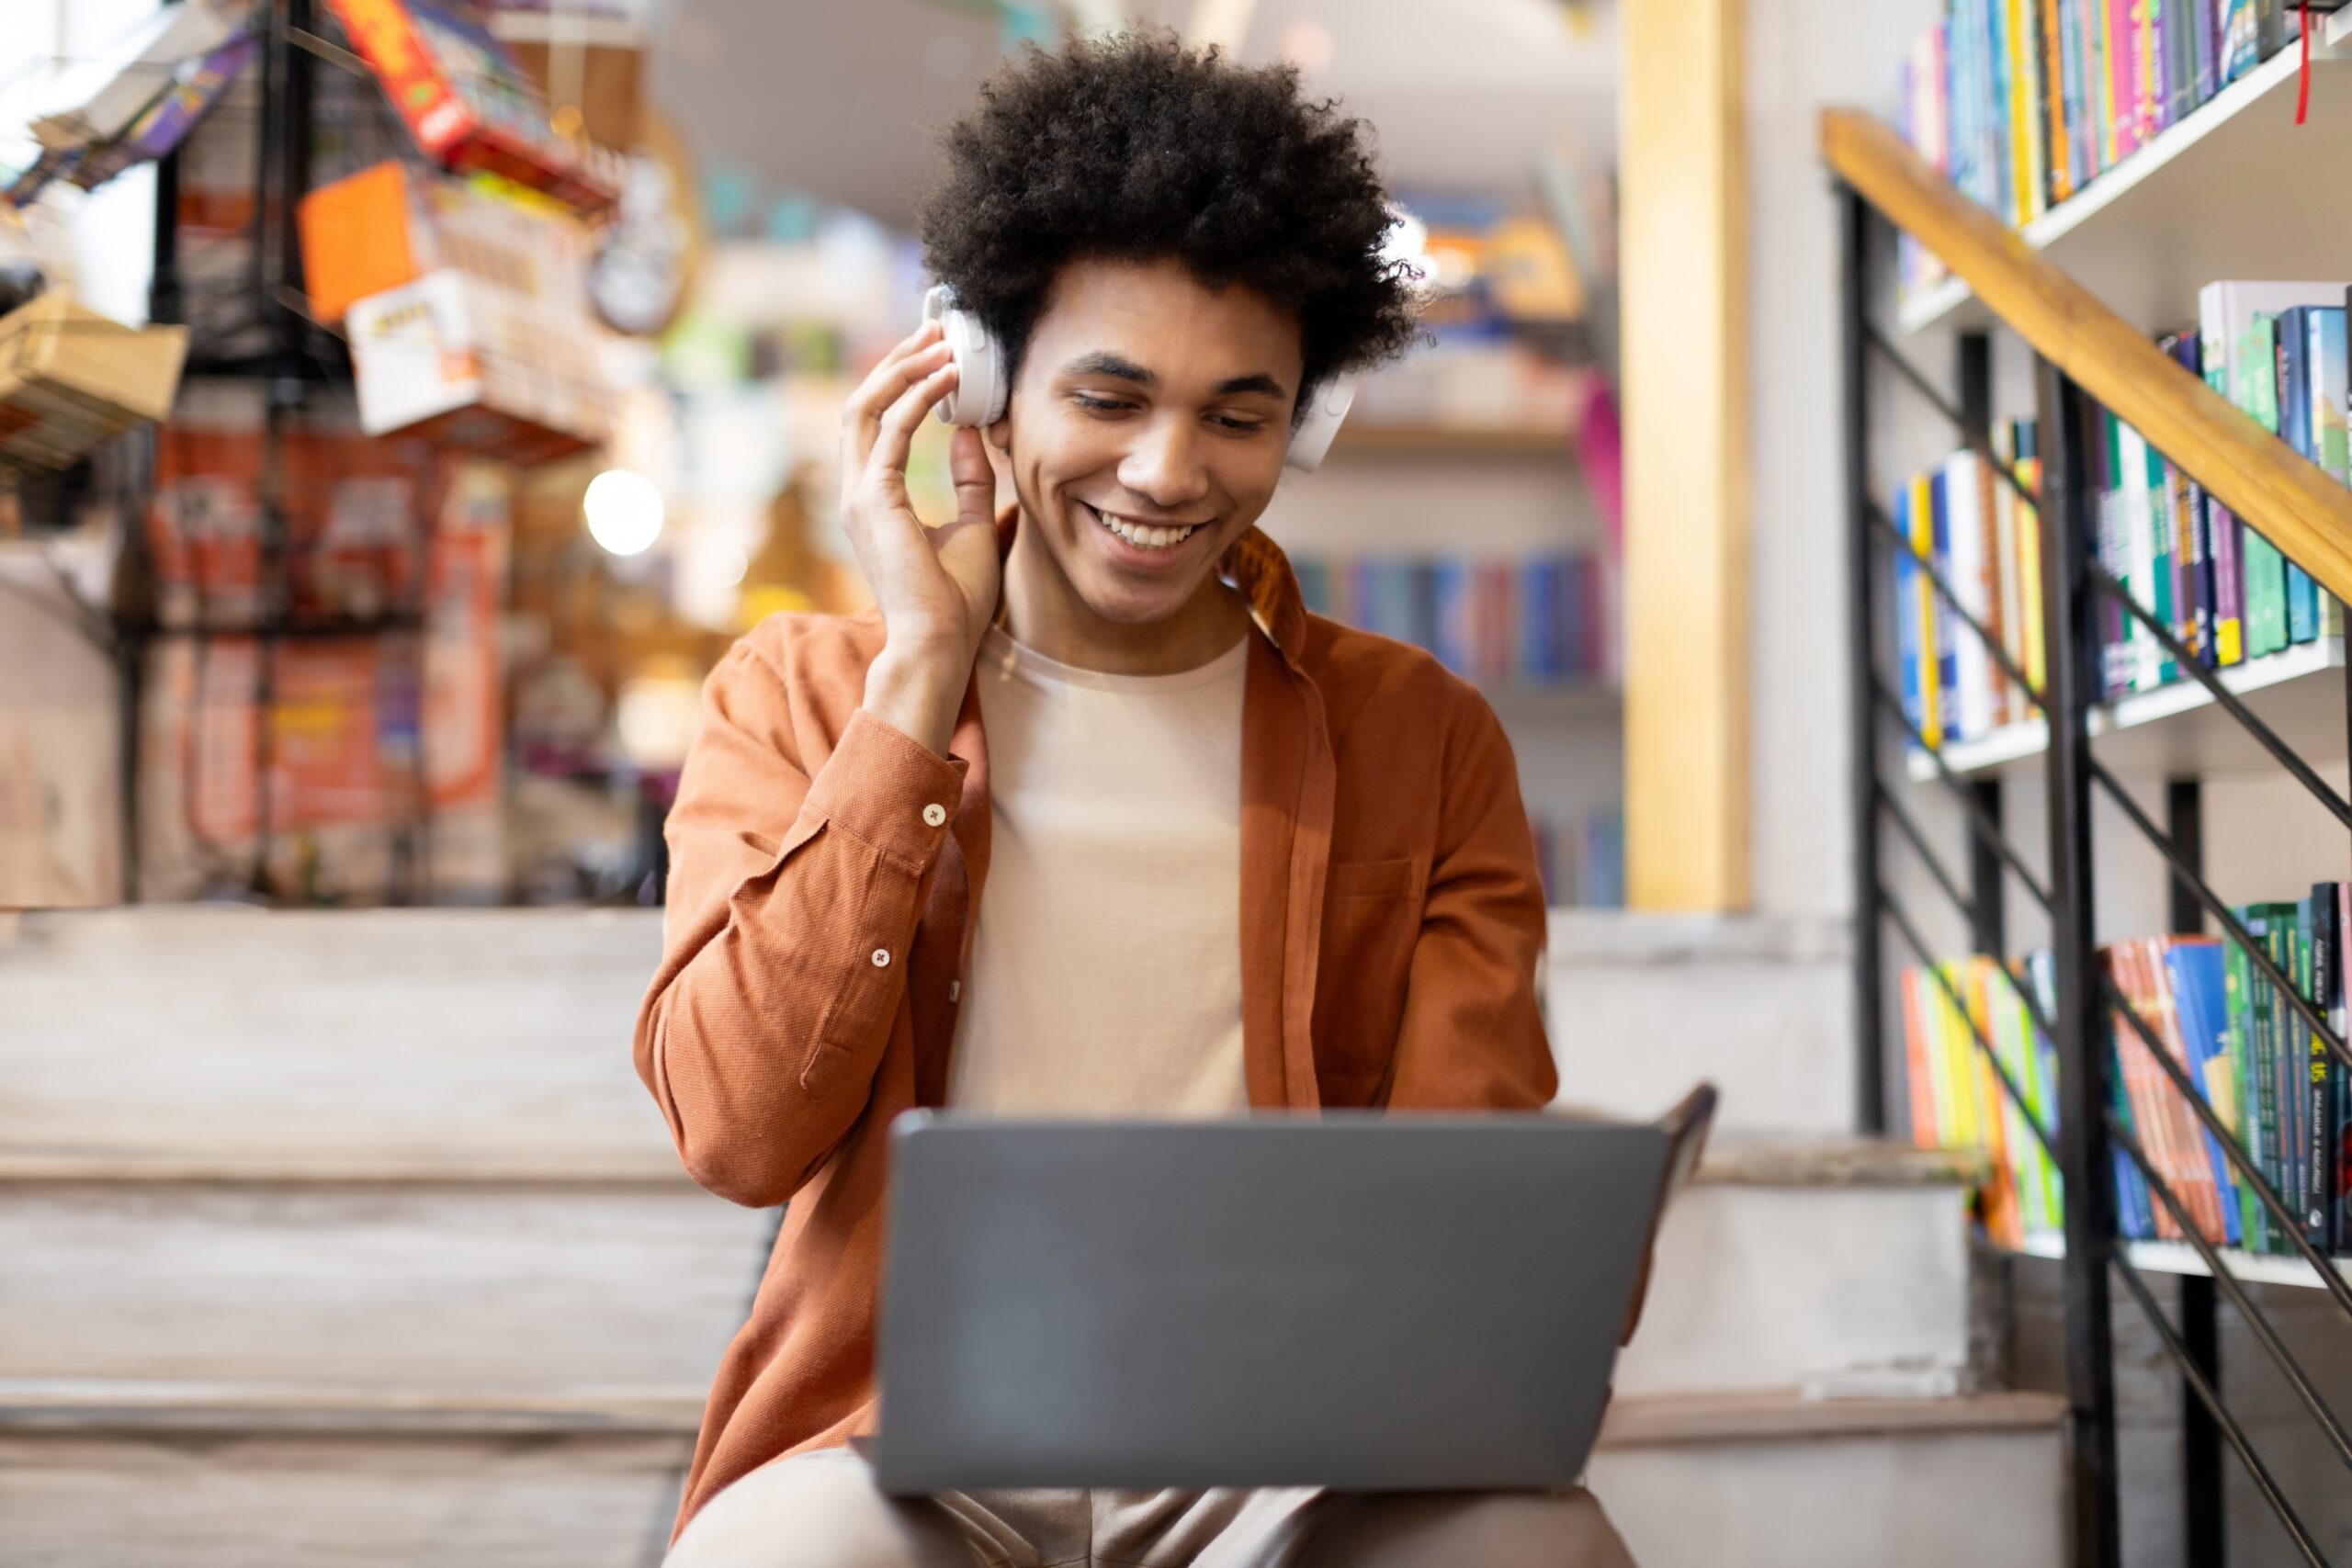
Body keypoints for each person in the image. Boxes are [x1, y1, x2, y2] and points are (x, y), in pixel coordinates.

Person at [636, 29, 1632, 1568]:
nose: (1168, 471)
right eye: (1109, 397)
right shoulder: (799, 693)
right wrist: (919, 671)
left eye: (1239, 415)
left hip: (1289, 1447)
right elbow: (736, 1130)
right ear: (980, 379)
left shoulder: (1421, 736)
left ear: (1306, 423)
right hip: (900, 1446)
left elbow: (1465, 1173)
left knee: (1536, 1544)